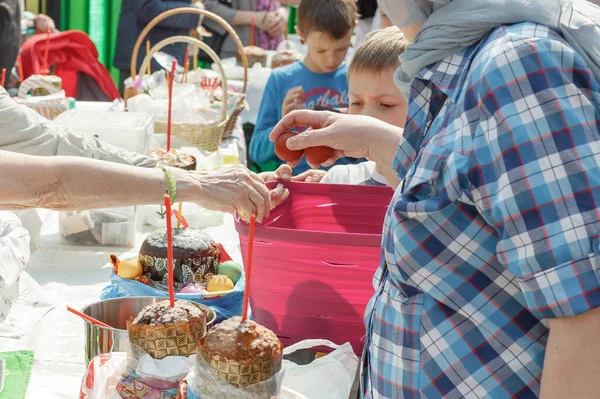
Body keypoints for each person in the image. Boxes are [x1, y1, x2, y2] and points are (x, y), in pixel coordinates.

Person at [270, 0, 600, 397]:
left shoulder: (519, 65)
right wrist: (375, 139)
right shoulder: (466, 54)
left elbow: (586, 318)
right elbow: (461, 195)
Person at [263, 26, 408, 186]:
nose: (364, 116)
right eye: (356, 103)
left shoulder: (431, 188)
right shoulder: (341, 177)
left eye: (386, 105)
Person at [249, 0, 357, 174]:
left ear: (353, 30)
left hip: (344, 183)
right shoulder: (281, 79)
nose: (331, 59)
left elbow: (368, 153)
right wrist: (282, 123)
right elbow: (256, 152)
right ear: (301, 34)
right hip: (295, 181)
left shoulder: (356, 78)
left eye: (341, 49)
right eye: (321, 50)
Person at [113, 0, 205, 94]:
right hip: (144, 63)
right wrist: (193, 12)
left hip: (166, 58)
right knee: (138, 102)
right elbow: (148, 9)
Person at [202, 0, 289, 58]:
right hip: (238, 53)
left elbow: (284, 3)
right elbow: (206, 7)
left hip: (275, 51)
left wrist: (282, 14)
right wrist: (253, 18)